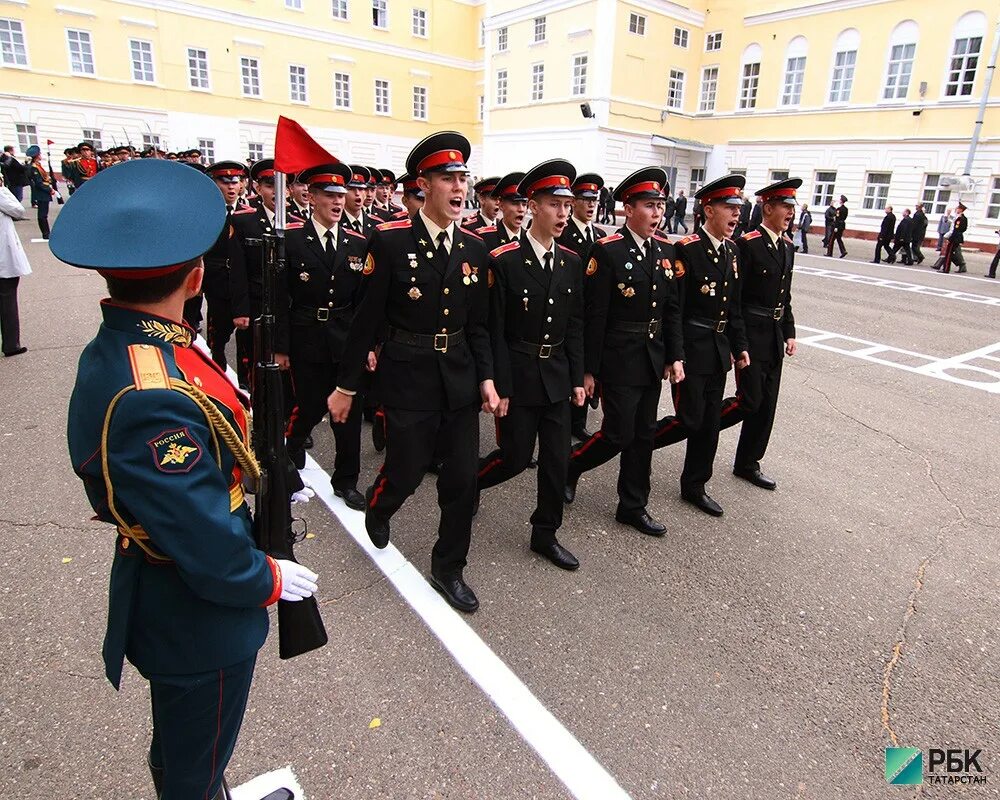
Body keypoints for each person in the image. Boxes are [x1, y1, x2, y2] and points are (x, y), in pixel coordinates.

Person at [54, 159, 319, 800]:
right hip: (197, 610)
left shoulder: (141, 343)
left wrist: (261, 477)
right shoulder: (152, 391)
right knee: (195, 769)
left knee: (187, 750)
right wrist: (267, 577)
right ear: (197, 276)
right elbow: (197, 529)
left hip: (180, 591)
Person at [328, 131, 499, 613]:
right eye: (448, 178)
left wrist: (487, 378)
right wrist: (346, 387)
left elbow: (479, 324)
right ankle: (381, 507)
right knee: (404, 469)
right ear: (423, 185)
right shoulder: (389, 241)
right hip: (408, 375)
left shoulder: (474, 247)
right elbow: (364, 322)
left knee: (462, 480)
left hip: (460, 376)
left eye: (463, 177)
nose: (459, 187)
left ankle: (449, 568)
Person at [564, 167, 684, 537]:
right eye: (650, 206)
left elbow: (671, 309)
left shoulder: (665, 251)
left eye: (660, 207)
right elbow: (593, 315)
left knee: (644, 434)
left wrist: (674, 356)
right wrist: (588, 369)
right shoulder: (607, 252)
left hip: (650, 354)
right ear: (627, 210)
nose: (657, 214)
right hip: (618, 356)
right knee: (617, 434)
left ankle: (632, 505)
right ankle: (571, 465)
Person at [477, 160, 585, 570]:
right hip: (519, 375)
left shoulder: (571, 261)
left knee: (557, 460)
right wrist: (500, 386)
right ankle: (471, 484)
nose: (563, 214)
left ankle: (545, 533)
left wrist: (577, 377)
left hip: (556, 374)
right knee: (515, 458)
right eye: (555, 205)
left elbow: (574, 326)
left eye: (567, 205)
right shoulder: (504, 260)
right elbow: (495, 331)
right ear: (533, 206)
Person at [653, 175, 749, 517]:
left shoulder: (733, 252)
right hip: (692, 348)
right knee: (690, 420)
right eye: (729, 207)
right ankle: (642, 441)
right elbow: (674, 309)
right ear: (708, 209)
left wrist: (740, 347)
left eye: (738, 207)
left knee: (708, 423)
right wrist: (675, 354)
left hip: (719, 349)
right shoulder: (687, 250)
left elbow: (733, 307)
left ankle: (695, 485)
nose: (736, 214)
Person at [275, 162, 368, 510]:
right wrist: (281, 347)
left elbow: (363, 303)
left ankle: (346, 481)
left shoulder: (357, 243)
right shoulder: (293, 241)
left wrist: (369, 346)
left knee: (349, 412)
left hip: (345, 340)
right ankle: (288, 452)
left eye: (341, 195)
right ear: (311, 197)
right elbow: (281, 300)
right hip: (307, 336)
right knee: (311, 405)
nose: (337, 201)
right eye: (329, 195)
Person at [729, 179, 799, 490]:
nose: (790, 213)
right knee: (750, 400)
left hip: (773, 334)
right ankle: (702, 424)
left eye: (792, 208)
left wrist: (789, 331)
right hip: (751, 332)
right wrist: (738, 340)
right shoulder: (748, 244)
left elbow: (785, 296)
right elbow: (735, 298)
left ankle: (748, 462)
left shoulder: (787, 246)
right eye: (786, 206)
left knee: (767, 403)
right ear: (768, 208)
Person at [557, 172, 607, 441]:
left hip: (593, 314)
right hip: (571, 310)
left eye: (595, 201)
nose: (590, 206)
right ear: (573, 202)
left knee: (589, 365)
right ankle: (569, 419)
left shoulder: (598, 234)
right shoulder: (563, 233)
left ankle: (581, 419)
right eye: (585, 200)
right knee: (573, 367)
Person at [199, 160, 248, 367]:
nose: (231, 187)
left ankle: (243, 383)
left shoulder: (248, 213)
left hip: (243, 284)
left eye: (234, 182)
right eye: (225, 182)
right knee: (217, 338)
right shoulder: (207, 214)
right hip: (216, 281)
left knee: (246, 342)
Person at [0, 172, 30, 356]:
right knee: (7, 298)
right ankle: (11, 343)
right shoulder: (1, 194)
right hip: (4, 257)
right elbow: (18, 210)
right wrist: (2, 189)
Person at [478, 172, 526, 250]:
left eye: (524, 204)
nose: (521, 209)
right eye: (515, 203)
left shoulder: (530, 239)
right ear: (501, 205)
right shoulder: (482, 238)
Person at [26, 145, 55, 239]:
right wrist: (49, 189)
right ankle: (46, 233)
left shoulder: (37, 165)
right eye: (39, 154)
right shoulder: (34, 167)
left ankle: (46, 232)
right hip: (41, 192)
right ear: (37, 155)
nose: (40, 155)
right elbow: (38, 182)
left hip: (43, 192)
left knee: (43, 214)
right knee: (42, 214)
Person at [935, 202, 968, 273]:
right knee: (950, 253)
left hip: (954, 238)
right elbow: (963, 229)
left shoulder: (960, 218)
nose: (956, 209)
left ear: (961, 210)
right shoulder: (963, 218)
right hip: (957, 237)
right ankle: (960, 265)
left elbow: (955, 230)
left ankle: (946, 269)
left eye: (958, 208)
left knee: (949, 253)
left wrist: (950, 239)